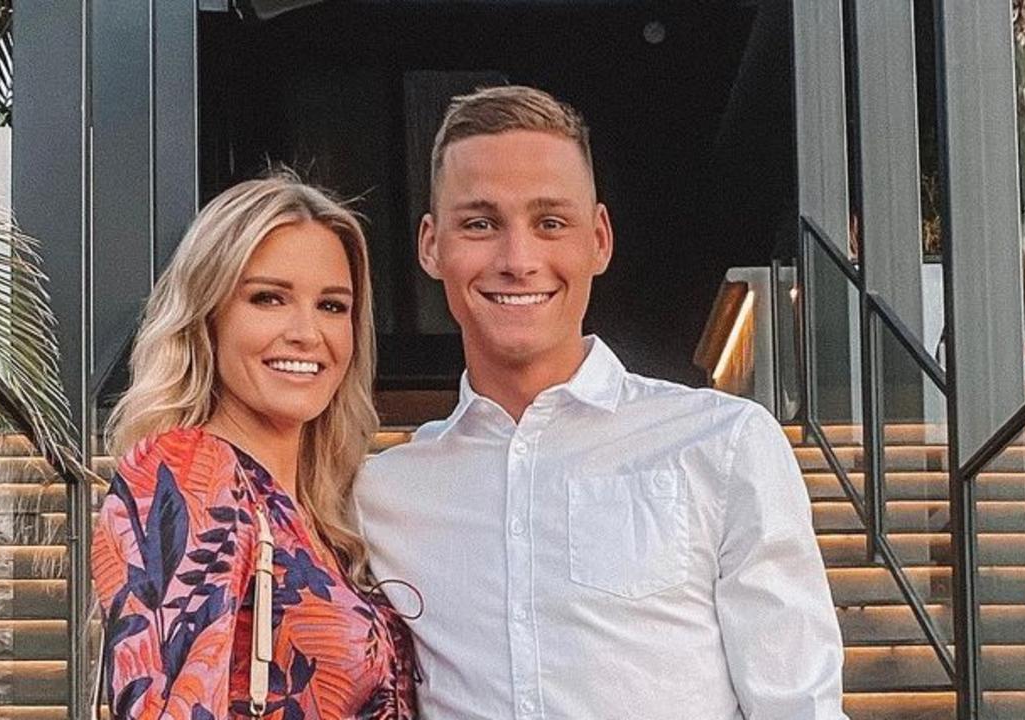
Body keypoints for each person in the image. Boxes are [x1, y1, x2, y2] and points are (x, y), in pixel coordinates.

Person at [354, 86, 846, 719]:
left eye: (550, 223)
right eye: (480, 224)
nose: (518, 260)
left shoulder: (723, 443)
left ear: (599, 239)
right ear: (431, 246)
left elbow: (799, 705)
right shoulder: (383, 494)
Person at [92, 172, 418, 719]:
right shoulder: (186, 471)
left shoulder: (327, 519)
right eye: (269, 298)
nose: (307, 333)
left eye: (332, 306)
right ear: (208, 316)